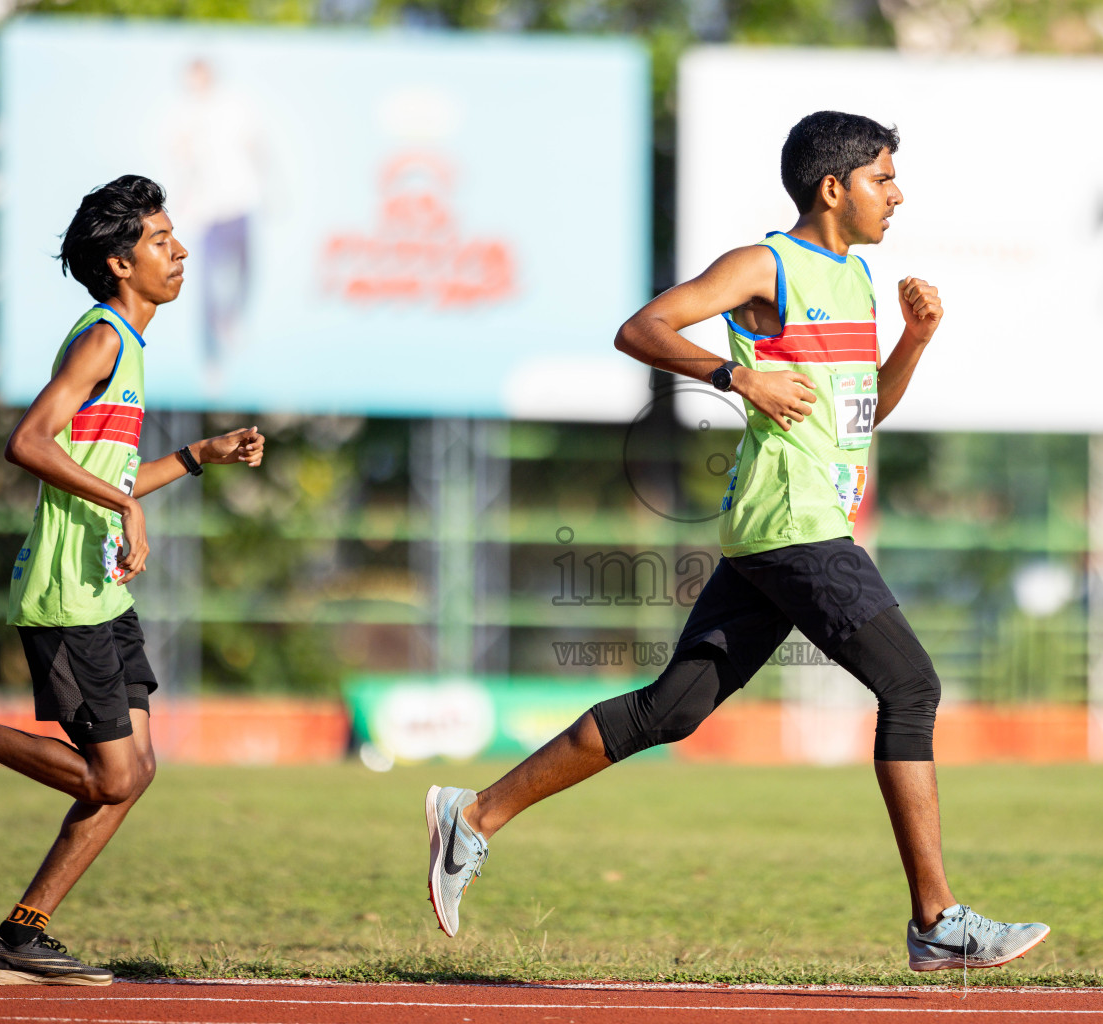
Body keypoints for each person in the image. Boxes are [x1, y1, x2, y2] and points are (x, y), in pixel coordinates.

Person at [423, 111, 1049, 972]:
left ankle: (473, 815)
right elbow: (641, 329)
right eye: (884, 178)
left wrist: (915, 341)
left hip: (785, 528)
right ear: (834, 188)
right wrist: (735, 373)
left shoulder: (860, 280)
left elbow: (865, 417)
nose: (896, 195)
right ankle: (937, 920)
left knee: (670, 710)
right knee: (911, 685)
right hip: (796, 525)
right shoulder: (767, 265)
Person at [0, 175, 265, 986]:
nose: (180, 250)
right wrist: (123, 502)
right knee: (113, 774)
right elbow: (30, 442)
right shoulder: (103, 339)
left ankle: (20, 936)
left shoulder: (131, 343)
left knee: (135, 774)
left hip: (102, 589)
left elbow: (101, 466)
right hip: (65, 591)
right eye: (161, 240)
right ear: (121, 264)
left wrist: (198, 457)